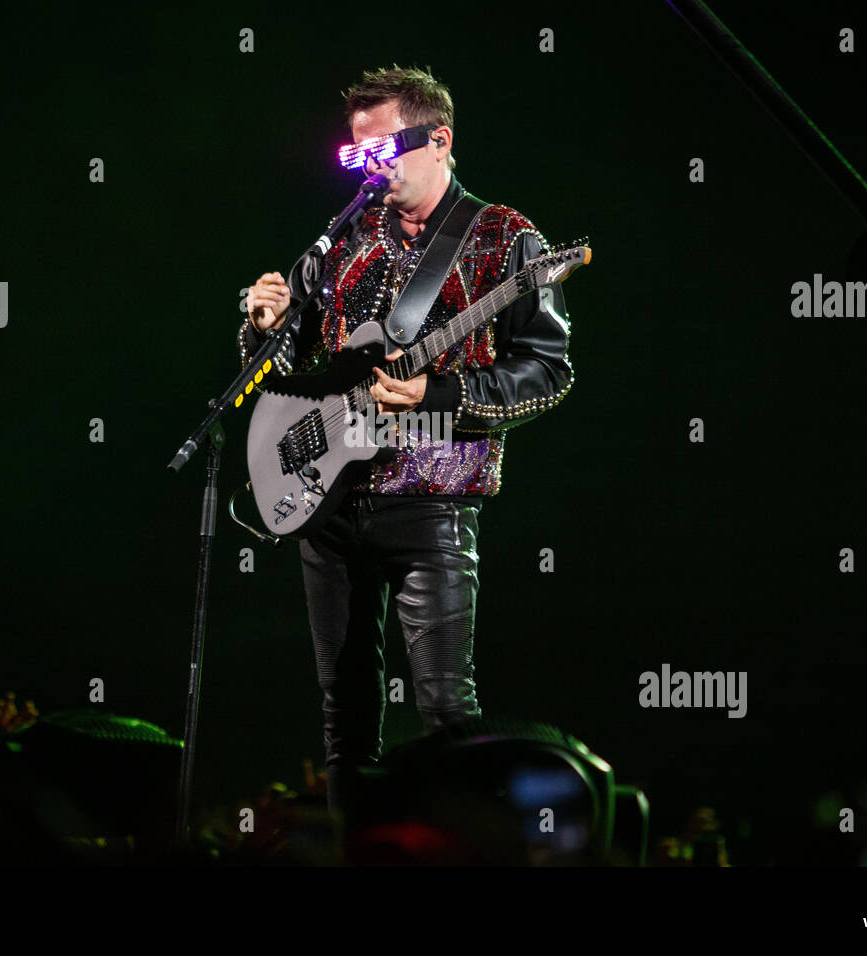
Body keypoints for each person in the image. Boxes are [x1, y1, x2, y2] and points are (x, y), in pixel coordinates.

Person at [239, 66, 574, 818]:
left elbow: (549, 373)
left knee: (449, 712)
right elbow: (285, 372)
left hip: (435, 500)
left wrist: (442, 392)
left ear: (440, 139)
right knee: (344, 720)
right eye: (355, 156)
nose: (368, 169)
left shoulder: (503, 237)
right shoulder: (343, 239)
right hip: (327, 500)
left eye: (381, 149)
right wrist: (262, 328)